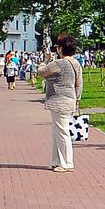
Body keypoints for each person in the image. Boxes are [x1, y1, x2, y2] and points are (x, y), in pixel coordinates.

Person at [43, 33, 80, 172]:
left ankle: (66, 163)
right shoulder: (76, 63)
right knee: (57, 131)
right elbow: (79, 84)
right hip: (70, 99)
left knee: (62, 132)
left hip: (59, 101)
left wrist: (45, 60)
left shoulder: (58, 63)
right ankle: (56, 160)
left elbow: (42, 72)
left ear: (60, 48)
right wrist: (77, 99)